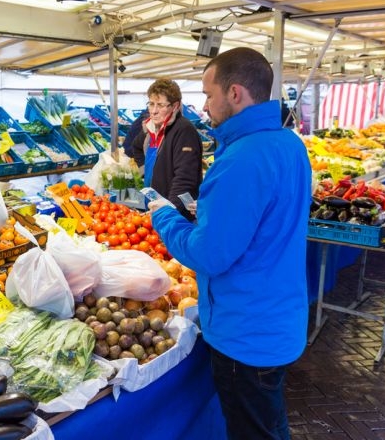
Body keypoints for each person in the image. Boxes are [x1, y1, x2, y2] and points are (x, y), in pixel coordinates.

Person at [148, 47, 311, 439]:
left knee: (255, 429)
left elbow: (208, 254)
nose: (204, 106)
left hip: (245, 331)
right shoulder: (290, 145)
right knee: (267, 422)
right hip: (278, 318)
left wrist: (164, 216)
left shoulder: (241, 159)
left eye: (208, 94)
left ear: (235, 93)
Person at [132, 78, 203, 219]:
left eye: (160, 105)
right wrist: (144, 170)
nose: (154, 111)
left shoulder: (184, 130)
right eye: (151, 104)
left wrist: (169, 211)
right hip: (155, 200)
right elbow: (136, 146)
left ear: (175, 106)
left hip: (176, 210)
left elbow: (185, 178)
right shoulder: (151, 129)